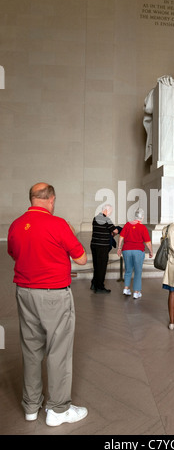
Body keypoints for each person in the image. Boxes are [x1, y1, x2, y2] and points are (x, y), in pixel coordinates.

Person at [7, 182, 88, 426]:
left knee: (31, 350)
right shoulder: (58, 224)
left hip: (25, 293)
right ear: (51, 199)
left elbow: (14, 253)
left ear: (31, 199)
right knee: (58, 351)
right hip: (54, 295)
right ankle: (58, 410)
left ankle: (31, 406)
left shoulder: (16, 224)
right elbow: (82, 259)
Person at [117, 208, 153, 299]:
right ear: (142, 217)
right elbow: (148, 242)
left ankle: (126, 288)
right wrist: (151, 251)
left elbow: (121, 237)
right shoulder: (143, 227)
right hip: (138, 250)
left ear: (135, 216)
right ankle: (136, 292)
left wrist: (119, 247)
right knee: (138, 271)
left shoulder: (127, 225)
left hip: (126, 250)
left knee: (128, 270)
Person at [90, 204, 120, 294]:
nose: (110, 213)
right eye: (110, 212)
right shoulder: (106, 219)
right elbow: (115, 231)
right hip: (102, 246)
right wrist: (114, 232)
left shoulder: (95, 218)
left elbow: (101, 229)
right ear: (107, 211)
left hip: (94, 245)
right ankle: (99, 287)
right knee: (102, 267)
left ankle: (94, 284)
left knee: (96, 266)